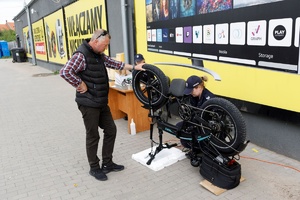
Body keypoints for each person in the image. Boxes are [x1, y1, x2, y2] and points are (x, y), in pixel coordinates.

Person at [60, 29, 145, 181]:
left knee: (111, 130)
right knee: (93, 135)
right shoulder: (81, 55)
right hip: (88, 103)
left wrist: (134, 67)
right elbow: (65, 72)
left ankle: (108, 163)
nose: (106, 48)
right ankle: (94, 167)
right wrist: (80, 84)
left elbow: (113, 62)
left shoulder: (98, 54)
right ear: (95, 41)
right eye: (104, 45)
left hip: (100, 101)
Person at [177, 75, 215, 157]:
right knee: (179, 128)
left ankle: (200, 147)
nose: (190, 92)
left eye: (191, 90)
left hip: (206, 127)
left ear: (199, 87)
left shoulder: (209, 98)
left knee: (186, 133)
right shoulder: (194, 96)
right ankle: (196, 147)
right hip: (197, 122)